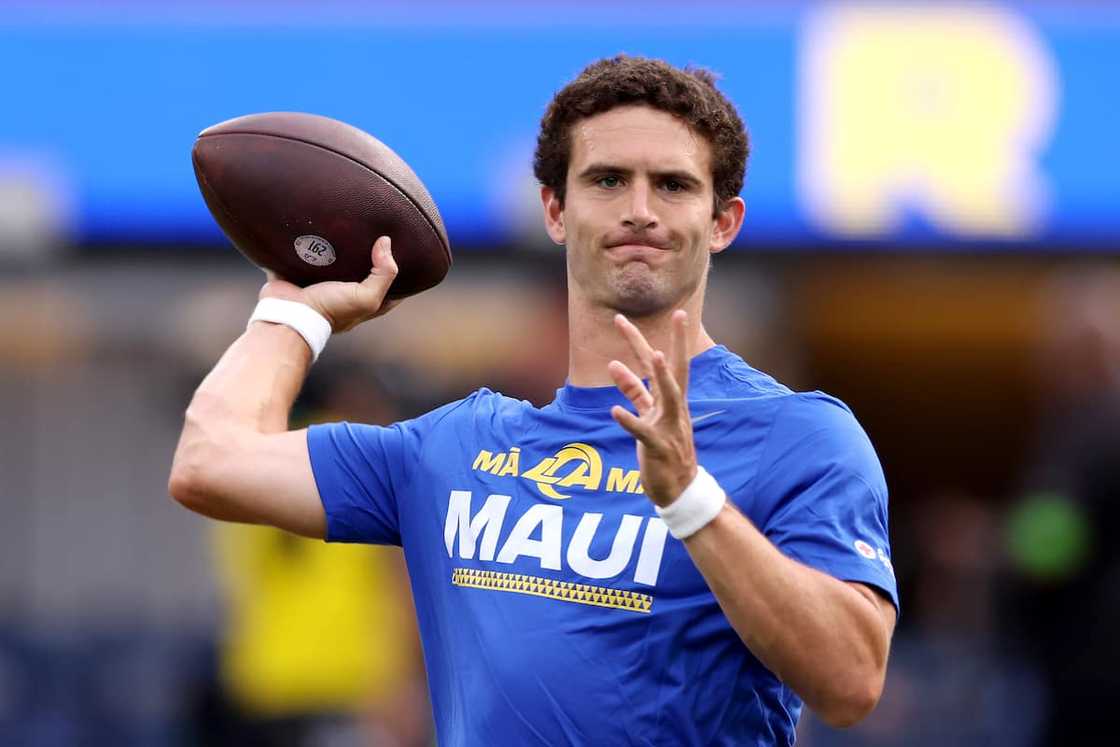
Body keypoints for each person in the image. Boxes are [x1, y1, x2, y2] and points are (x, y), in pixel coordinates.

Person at [170, 55, 898, 746]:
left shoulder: (797, 435)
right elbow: (211, 459)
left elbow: (850, 680)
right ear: (554, 209)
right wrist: (295, 308)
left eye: (672, 185)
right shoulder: (453, 447)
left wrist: (690, 500)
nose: (639, 209)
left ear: (723, 221)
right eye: (607, 180)